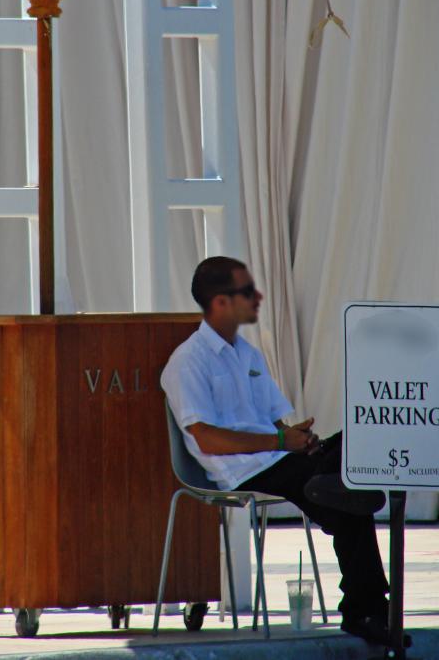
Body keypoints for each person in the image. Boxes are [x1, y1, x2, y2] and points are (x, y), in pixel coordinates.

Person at [161, 256, 399, 646]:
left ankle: (332, 488)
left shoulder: (247, 354)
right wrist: (279, 442)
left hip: (278, 457)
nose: (256, 297)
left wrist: (297, 438)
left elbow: (274, 422)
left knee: (357, 446)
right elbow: (206, 439)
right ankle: (365, 609)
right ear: (219, 301)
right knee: (346, 488)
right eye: (245, 290)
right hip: (242, 470)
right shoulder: (187, 362)